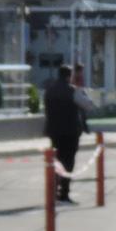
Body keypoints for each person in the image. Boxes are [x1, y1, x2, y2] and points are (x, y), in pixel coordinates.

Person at [43, 63, 85, 203]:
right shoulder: (73, 91)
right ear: (69, 75)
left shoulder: (49, 90)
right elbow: (89, 105)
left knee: (57, 159)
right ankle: (64, 192)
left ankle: (54, 190)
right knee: (69, 161)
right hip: (71, 130)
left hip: (54, 130)